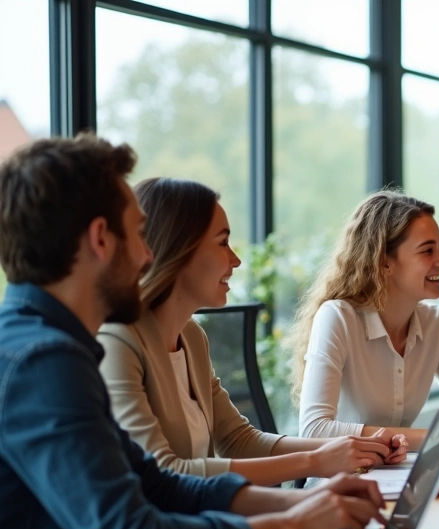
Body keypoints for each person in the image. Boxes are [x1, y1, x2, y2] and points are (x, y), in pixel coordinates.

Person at [0, 134, 387, 529]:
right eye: (138, 235)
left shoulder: (47, 346)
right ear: (100, 239)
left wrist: (306, 503)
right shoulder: (44, 362)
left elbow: (159, 484)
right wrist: (293, 526)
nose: (147, 256)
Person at [98, 178, 406, 486]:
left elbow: (238, 440)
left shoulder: (191, 337)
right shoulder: (117, 342)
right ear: (179, 249)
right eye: (222, 243)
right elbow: (164, 472)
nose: (236, 260)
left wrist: (353, 449)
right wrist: (315, 461)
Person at [287, 190, 439, 446]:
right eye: (427, 251)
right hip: (344, 471)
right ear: (384, 263)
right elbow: (315, 429)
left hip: (400, 467)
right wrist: (436, 438)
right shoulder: (338, 318)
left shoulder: (433, 321)